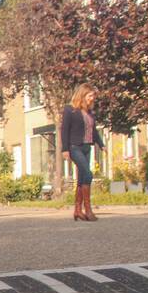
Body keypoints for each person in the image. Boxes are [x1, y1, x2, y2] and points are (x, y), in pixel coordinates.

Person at [61, 85, 105, 222]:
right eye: (90, 96)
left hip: (87, 147)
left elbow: (94, 131)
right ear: (83, 95)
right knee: (88, 174)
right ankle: (88, 209)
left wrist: (101, 145)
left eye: (93, 96)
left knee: (82, 178)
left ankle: (77, 210)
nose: (92, 98)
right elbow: (64, 129)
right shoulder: (70, 110)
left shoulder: (90, 112)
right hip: (75, 147)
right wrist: (65, 149)